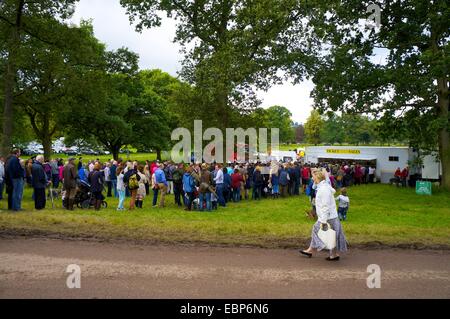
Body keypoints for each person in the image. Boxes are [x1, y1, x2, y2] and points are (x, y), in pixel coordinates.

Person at [300, 169, 348, 261]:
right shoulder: (323, 186)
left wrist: (323, 221)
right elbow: (315, 186)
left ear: (317, 177)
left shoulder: (324, 189)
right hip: (331, 216)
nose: (311, 178)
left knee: (317, 230)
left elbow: (325, 206)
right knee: (332, 235)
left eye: (313, 176)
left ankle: (311, 250)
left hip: (327, 217)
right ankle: (333, 255)